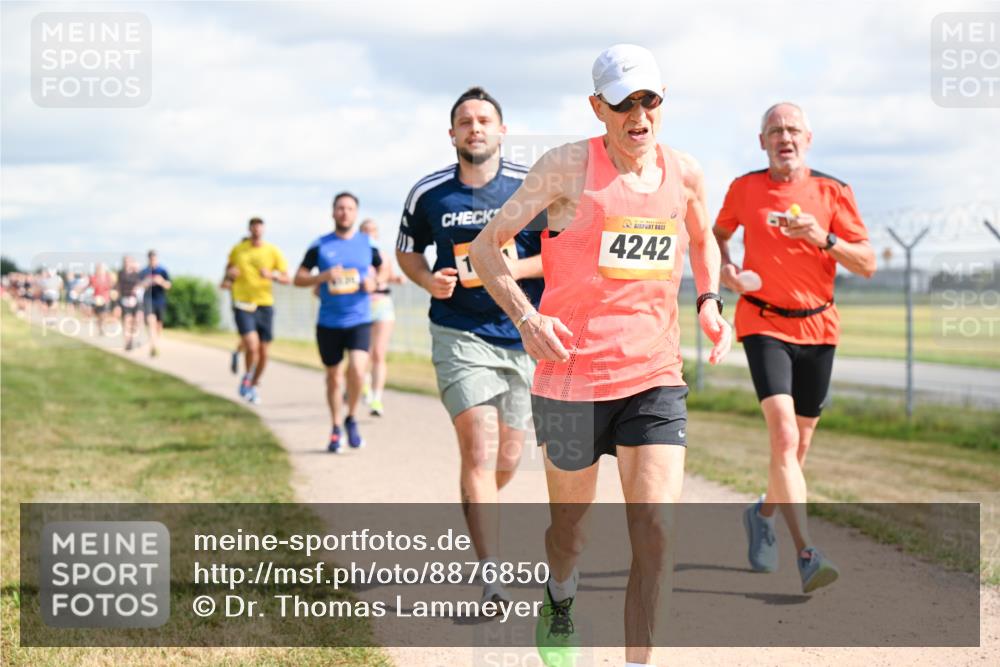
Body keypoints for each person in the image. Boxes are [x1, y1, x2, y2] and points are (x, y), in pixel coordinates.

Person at [469, 45, 732, 667]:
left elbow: (703, 240)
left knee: (656, 531)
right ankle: (560, 595)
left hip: (654, 376)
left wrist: (710, 301)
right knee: (571, 531)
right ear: (597, 107)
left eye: (649, 100)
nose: (638, 116)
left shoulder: (686, 173)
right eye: (623, 104)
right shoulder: (567, 167)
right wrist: (527, 317)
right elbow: (485, 248)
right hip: (571, 378)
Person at [713, 102, 876, 593]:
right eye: (775, 130)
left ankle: (763, 514)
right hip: (763, 321)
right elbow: (717, 233)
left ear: (808, 138)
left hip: (819, 328)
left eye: (793, 130)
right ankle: (807, 553)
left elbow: (867, 263)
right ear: (762, 141)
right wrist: (727, 269)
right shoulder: (745, 188)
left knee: (797, 448)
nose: (785, 137)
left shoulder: (833, 191)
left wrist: (823, 238)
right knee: (784, 436)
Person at [396, 86, 546, 607]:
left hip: (521, 334)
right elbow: (407, 252)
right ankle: (492, 577)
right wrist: (427, 280)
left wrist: (508, 268)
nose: (475, 128)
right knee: (479, 450)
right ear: (452, 134)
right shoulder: (429, 193)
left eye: (484, 120)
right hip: (459, 333)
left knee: (508, 456)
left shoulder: (531, 187)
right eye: (465, 122)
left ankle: (476, 500)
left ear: (502, 130)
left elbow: (561, 253)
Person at [294, 192, 380, 451]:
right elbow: (298, 278)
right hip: (329, 322)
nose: (345, 212)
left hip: (360, 319)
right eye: (340, 208)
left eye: (350, 208)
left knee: (357, 369)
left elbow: (384, 268)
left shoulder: (367, 243)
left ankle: (351, 417)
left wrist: (374, 282)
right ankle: (335, 427)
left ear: (356, 213)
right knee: (333, 377)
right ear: (333, 212)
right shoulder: (320, 245)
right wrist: (322, 277)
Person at [221, 218, 290, 404]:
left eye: (260, 227)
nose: (257, 230)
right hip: (242, 303)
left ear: (264, 230)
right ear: (249, 229)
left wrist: (272, 275)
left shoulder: (272, 251)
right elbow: (228, 271)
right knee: (252, 345)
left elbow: (287, 278)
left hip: (265, 304)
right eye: (254, 227)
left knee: (264, 351)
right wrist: (229, 275)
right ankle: (247, 377)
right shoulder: (238, 249)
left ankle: (252, 384)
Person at [359, 218, 406, 416]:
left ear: (377, 234)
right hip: (360, 307)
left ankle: (376, 399)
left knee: (378, 352)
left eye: (372, 230)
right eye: (365, 231)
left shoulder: (384, 256)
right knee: (363, 353)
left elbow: (389, 276)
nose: (369, 234)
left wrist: (397, 278)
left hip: (382, 306)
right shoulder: (356, 255)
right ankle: (364, 384)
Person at [140, 250, 172, 357]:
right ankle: (153, 345)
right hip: (148, 299)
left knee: (159, 324)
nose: (152, 261)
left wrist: (161, 281)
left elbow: (169, 286)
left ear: (156, 259)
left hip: (160, 300)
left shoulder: (162, 270)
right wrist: (146, 282)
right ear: (148, 259)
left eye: (154, 259)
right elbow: (139, 285)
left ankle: (156, 341)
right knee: (151, 322)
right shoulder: (144, 271)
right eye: (151, 259)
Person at [116, 255, 144, 351]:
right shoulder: (120, 273)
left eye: (129, 261)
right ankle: (127, 342)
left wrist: (137, 288)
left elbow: (142, 284)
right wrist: (117, 304)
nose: (127, 263)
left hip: (135, 300)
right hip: (124, 300)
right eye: (125, 261)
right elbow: (118, 287)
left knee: (137, 320)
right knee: (126, 320)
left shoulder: (137, 273)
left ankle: (133, 338)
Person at [89, 263, 114, 336]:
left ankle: (103, 328)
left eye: (100, 269)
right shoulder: (93, 277)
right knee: (98, 315)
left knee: (104, 314)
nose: (99, 270)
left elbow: (111, 285)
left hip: (105, 298)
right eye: (97, 269)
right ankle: (100, 328)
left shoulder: (107, 277)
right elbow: (90, 286)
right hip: (96, 299)